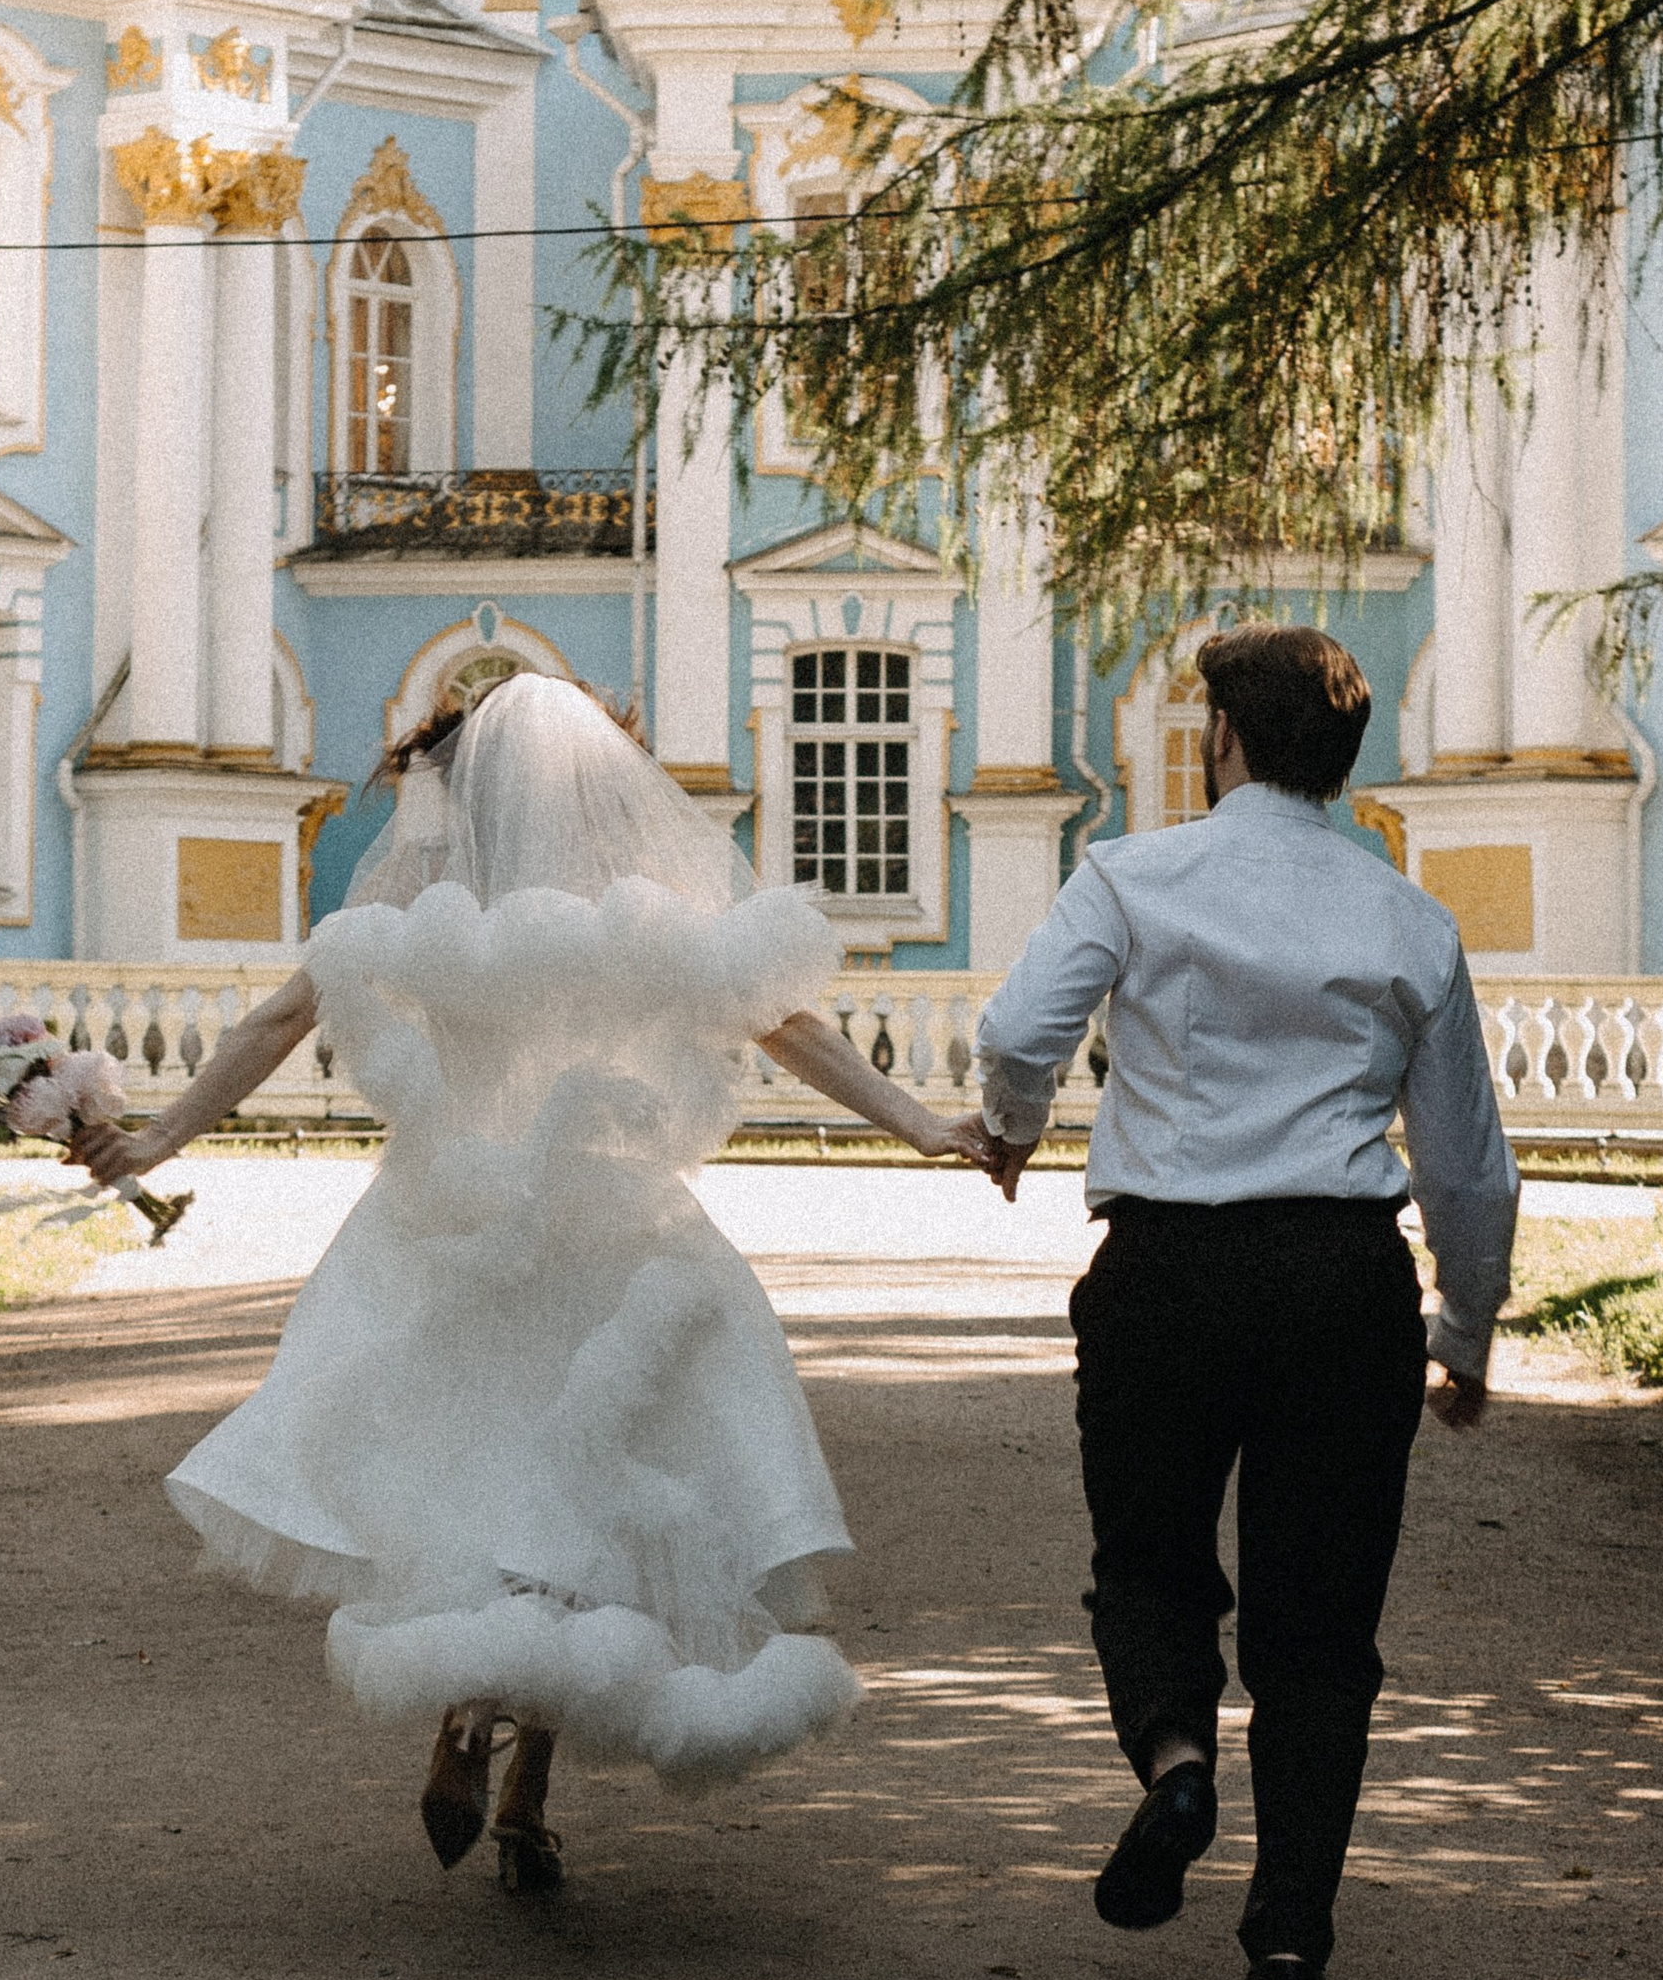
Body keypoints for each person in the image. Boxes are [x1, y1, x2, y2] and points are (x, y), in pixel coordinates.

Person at [69, 671, 996, 1891]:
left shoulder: (420, 898)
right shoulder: (648, 904)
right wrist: (919, 1124)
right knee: (594, 1499)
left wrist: (152, 1143)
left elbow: (278, 1021)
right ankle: (524, 1789)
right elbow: (789, 1023)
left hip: (450, 1228)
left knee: (476, 1481)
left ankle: (467, 1728)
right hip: (612, 1234)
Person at [974, 622, 1518, 1980]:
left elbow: (1019, 1030)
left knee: (1146, 1558)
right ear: (1338, 756)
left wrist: (1017, 1134)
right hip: (1342, 1286)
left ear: (1223, 741)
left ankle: (1171, 1763)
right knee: (1322, 1627)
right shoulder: (1407, 917)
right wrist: (1463, 1326)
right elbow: (1466, 1161)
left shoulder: (1134, 877)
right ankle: (1288, 1942)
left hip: (1165, 1270)